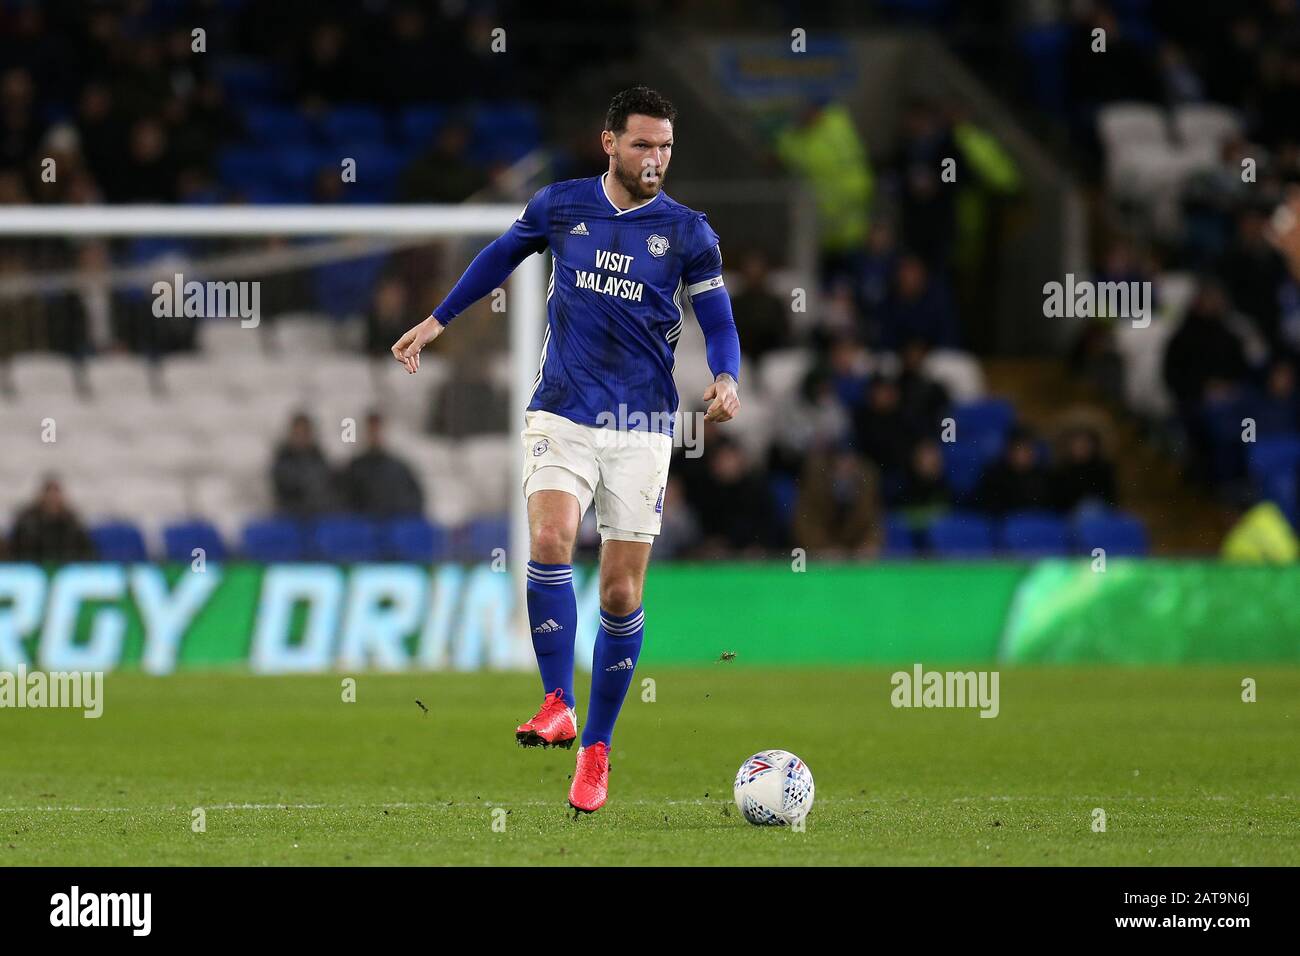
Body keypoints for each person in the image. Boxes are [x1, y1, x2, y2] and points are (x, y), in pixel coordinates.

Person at [390, 88, 741, 814]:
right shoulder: (560, 205)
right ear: (608, 142)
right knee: (549, 539)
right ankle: (556, 700)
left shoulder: (687, 232)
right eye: (643, 144)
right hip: (563, 410)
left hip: (642, 425)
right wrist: (436, 320)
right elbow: (498, 256)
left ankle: (598, 748)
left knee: (619, 593)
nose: (656, 159)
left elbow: (717, 316)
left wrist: (727, 376)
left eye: (666, 146)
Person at [339, 412, 424, 518]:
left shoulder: (399, 469)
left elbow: (415, 500)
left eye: (377, 430)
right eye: (371, 431)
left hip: (393, 526)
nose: (375, 435)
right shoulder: (354, 468)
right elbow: (342, 502)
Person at [8, 476, 95, 562]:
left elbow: (86, 552)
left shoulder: (72, 523)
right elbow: (14, 551)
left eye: (55, 495)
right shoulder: (27, 523)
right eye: (49, 494)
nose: (52, 499)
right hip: (29, 570)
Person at [271, 413, 338, 517]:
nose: (301, 438)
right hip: (290, 517)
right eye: (298, 433)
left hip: (318, 516)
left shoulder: (319, 459)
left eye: (304, 433)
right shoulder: (283, 461)